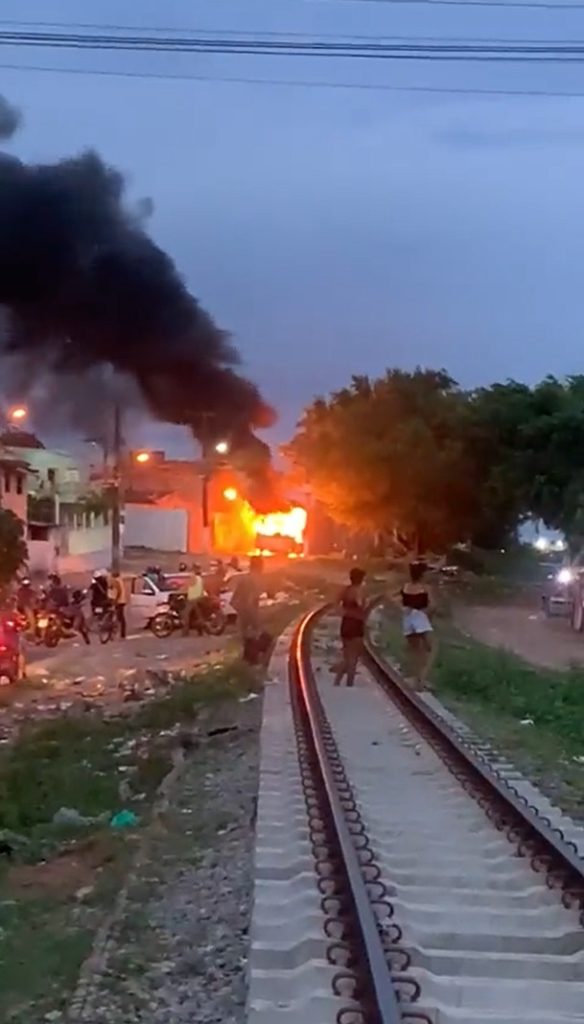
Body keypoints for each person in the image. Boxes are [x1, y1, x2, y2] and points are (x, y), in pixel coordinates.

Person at [399, 560, 434, 690]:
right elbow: (433, 606)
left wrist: (402, 608)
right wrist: (428, 617)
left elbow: (391, 597)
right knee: (432, 648)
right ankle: (422, 679)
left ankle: (414, 678)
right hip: (419, 616)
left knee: (415, 651)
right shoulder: (425, 588)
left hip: (407, 618)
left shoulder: (405, 586)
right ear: (422, 574)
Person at [333, 567, 367, 687]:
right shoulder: (359, 591)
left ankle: (337, 681)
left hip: (346, 623)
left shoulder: (345, 590)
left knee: (347, 655)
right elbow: (361, 605)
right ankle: (349, 684)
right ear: (361, 579)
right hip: (356, 624)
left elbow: (336, 605)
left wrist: (344, 612)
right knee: (354, 657)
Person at [231, 556, 264, 662]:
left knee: (246, 638)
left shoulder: (245, 578)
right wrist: (253, 619)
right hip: (249, 613)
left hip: (242, 613)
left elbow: (234, 600)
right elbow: (251, 601)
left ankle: (246, 662)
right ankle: (251, 662)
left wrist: (240, 611)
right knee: (253, 638)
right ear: (259, 567)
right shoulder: (254, 580)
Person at [182, 563, 204, 636]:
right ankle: (200, 631)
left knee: (185, 614)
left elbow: (186, 587)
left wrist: (179, 591)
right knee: (197, 615)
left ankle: (185, 632)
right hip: (199, 598)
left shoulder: (193, 577)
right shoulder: (200, 578)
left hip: (192, 599)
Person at [108, 570, 128, 639]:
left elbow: (118, 591)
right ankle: (118, 633)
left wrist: (115, 600)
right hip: (122, 600)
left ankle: (121, 633)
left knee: (120, 617)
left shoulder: (116, 581)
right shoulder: (120, 580)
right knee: (119, 617)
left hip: (119, 601)